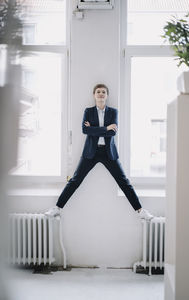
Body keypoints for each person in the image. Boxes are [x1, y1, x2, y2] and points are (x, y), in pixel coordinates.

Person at [45, 83, 154, 221]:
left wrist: (95, 129)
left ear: (107, 95)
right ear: (94, 95)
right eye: (98, 92)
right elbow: (85, 131)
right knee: (75, 180)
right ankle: (57, 208)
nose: (101, 94)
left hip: (109, 153)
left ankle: (140, 211)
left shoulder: (113, 112)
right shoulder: (88, 111)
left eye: (103, 92)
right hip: (91, 152)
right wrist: (105, 128)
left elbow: (112, 133)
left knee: (124, 182)